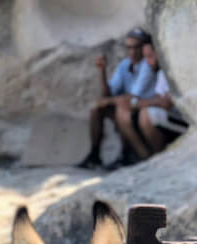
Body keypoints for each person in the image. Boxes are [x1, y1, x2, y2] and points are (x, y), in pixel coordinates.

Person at [78, 28, 156, 170]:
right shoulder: (125, 64)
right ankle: (94, 155)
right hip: (130, 108)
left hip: (143, 109)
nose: (132, 52)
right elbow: (108, 94)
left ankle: (141, 156)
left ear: (144, 47)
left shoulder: (147, 64)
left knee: (122, 109)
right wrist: (101, 71)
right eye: (129, 47)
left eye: (136, 47)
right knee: (97, 109)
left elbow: (131, 98)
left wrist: (108, 101)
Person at [133, 38, 190, 158]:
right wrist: (158, 100)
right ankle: (159, 154)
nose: (148, 62)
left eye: (150, 56)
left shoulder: (172, 70)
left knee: (146, 114)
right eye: (146, 57)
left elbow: (166, 104)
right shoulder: (160, 74)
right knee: (143, 113)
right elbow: (138, 103)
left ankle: (159, 154)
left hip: (186, 121)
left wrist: (155, 101)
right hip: (172, 117)